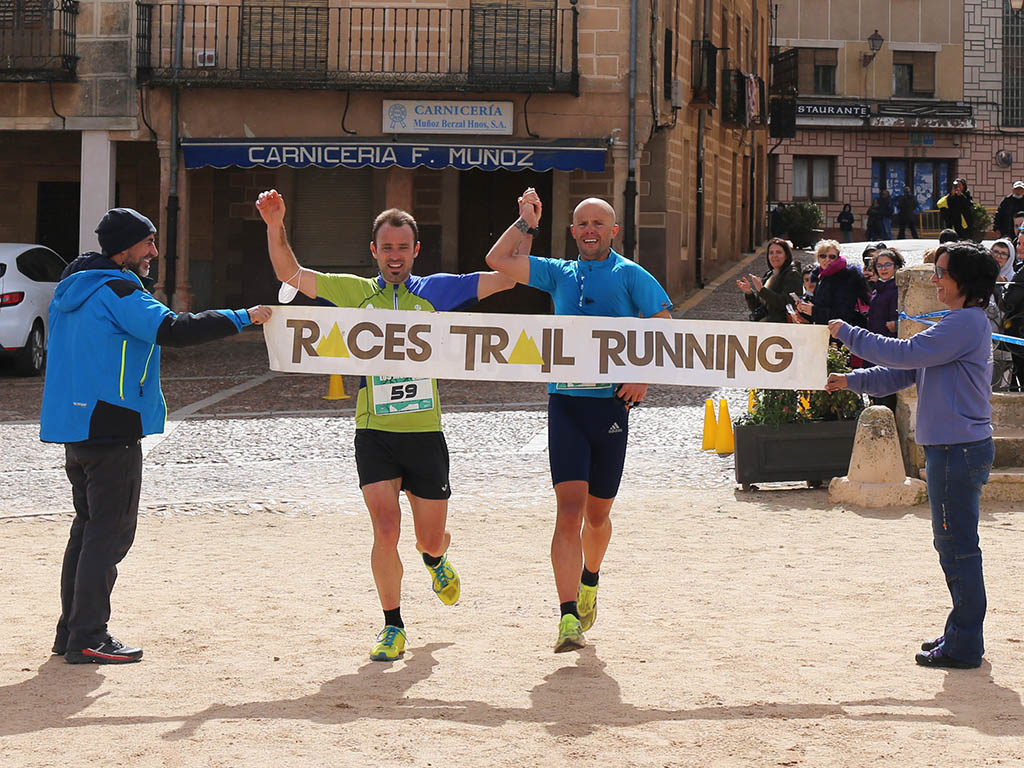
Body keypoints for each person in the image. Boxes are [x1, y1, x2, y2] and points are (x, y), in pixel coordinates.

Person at [255, 190, 512, 662]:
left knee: (428, 537)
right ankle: (393, 625)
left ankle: (435, 559)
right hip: (374, 430)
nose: (395, 257)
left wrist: (525, 226)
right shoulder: (357, 293)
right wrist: (275, 223)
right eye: (387, 248)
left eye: (403, 248)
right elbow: (291, 275)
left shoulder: (436, 291)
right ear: (375, 252)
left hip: (424, 432)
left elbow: (505, 280)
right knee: (386, 528)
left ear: (416, 251)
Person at [40, 208, 272, 665]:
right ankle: (89, 636)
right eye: (148, 243)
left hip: (77, 425)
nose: (154, 252)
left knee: (87, 531)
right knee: (108, 535)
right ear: (125, 248)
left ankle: (71, 632)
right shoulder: (119, 289)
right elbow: (173, 329)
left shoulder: (74, 288)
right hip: (111, 426)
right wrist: (242, 316)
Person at [485, 189, 672, 653]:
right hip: (565, 403)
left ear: (613, 231)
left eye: (598, 224)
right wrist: (527, 222)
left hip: (610, 406)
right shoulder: (558, 273)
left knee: (598, 513)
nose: (589, 230)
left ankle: (591, 577)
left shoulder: (631, 275)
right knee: (568, 512)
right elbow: (499, 259)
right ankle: (567, 616)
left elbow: (664, 322)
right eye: (581, 224)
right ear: (572, 233)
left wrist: (642, 375)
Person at [826, 242, 998, 669]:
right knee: (955, 544)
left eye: (942, 272)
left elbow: (904, 354)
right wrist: (851, 380)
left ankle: (964, 643)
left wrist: (848, 332)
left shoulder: (963, 324)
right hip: (953, 448)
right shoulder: (959, 323)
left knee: (956, 547)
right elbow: (907, 370)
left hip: (956, 450)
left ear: (965, 281)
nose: (936, 279)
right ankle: (961, 631)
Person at [862, 248, 905, 409]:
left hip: (889, 348)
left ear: (896, 266)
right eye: (880, 266)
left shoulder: (897, 288)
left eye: (888, 265)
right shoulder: (878, 288)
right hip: (875, 347)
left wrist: (895, 323)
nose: (884, 269)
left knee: (887, 394)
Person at [794, 239, 869, 327]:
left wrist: (813, 311)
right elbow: (821, 306)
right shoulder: (821, 275)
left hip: (841, 334)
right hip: (826, 331)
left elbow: (843, 314)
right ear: (818, 258)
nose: (827, 259)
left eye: (832, 257)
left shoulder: (845, 277)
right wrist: (804, 310)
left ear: (838, 258)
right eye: (823, 256)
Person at [736, 237, 803, 323]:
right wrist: (749, 293)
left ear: (786, 255)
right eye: (771, 253)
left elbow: (787, 303)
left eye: (778, 252)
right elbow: (759, 308)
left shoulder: (792, 275)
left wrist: (762, 290)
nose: (774, 256)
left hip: (782, 328)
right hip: (766, 328)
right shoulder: (769, 275)